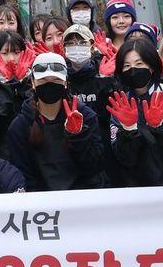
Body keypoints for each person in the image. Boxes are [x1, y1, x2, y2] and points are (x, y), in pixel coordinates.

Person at [102, 37, 163, 187]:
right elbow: (124, 158)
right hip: (140, 190)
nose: (132, 70)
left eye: (139, 64)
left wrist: (161, 127)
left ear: (152, 66)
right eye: (126, 66)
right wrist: (128, 130)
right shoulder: (121, 104)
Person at [6, 53, 106, 190]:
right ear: (33, 83)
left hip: (82, 198)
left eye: (56, 80)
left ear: (65, 83)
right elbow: (22, 173)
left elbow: (95, 167)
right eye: (43, 80)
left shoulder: (86, 116)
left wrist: (79, 136)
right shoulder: (20, 125)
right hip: (41, 203)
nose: (49, 85)